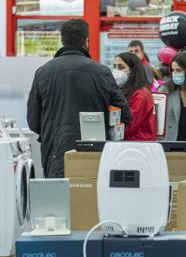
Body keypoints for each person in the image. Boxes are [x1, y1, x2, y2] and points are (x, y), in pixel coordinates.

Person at [27, 18, 131, 178]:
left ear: (62, 40)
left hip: (55, 153)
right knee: (90, 199)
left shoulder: (43, 73)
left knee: (58, 200)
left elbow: (33, 121)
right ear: (86, 42)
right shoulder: (102, 72)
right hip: (95, 155)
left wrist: (52, 132)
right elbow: (125, 115)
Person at [112, 52, 156, 141]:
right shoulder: (124, 90)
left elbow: (129, 124)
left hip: (138, 144)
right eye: (114, 66)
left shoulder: (140, 94)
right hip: (130, 142)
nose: (116, 70)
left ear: (133, 70)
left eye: (121, 67)